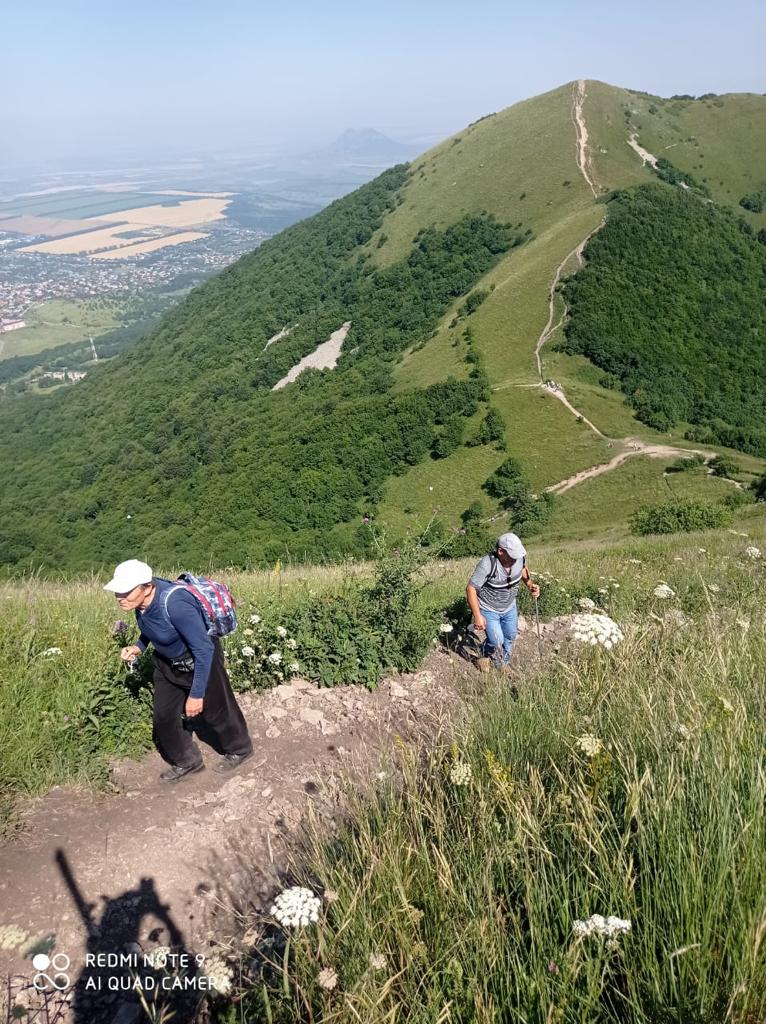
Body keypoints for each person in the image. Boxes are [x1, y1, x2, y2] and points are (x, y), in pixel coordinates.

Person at [104, 559, 253, 783]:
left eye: (126, 591)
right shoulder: (140, 604)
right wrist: (138, 647)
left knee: (216, 710)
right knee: (164, 717)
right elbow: (152, 628)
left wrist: (196, 694)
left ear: (147, 587)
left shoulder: (176, 604)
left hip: (200, 660)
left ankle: (240, 749)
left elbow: (204, 649)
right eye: (118, 591)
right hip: (167, 662)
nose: (120, 597)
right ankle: (188, 761)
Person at [466, 532, 540, 669]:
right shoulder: (487, 564)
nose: (516, 558)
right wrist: (477, 616)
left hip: (510, 606)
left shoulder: (519, 558)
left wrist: (530, 585)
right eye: (512, 555)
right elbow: (471, 589)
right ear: (500, 551)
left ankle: (501, 665)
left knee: (510, 636)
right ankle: (484, 653)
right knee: (496, 641)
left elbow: (523, 569)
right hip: (488, 608)